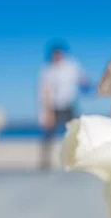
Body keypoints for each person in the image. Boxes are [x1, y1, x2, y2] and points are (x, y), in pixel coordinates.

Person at [38, 40, 89, 169]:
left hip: (69, 105)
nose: (57, 56)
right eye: (55, 54)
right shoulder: (47, 70)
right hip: (54, 106)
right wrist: (47, 113)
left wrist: (87, 86)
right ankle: (45, 163)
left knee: (76, 132)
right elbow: (44, 92)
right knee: (48, 136)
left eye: (59, 54)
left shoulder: (71, 65)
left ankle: (79, 159)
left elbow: (82, 79)